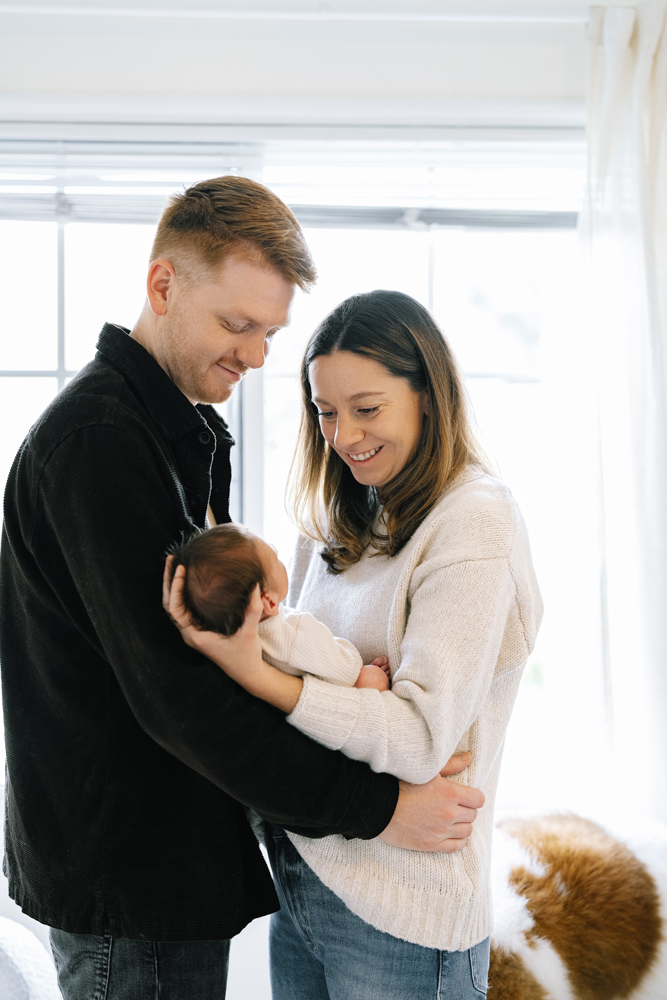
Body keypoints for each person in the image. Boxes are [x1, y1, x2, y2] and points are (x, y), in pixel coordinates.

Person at [0, 177, 484, 1000]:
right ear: (163, 285)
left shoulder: (167, 432)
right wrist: (376, 808)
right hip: (134, 878)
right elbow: (178, 693)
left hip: (157, 869)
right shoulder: (104, 444)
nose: (259, 356)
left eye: (269, 331)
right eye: (237, 324)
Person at [165, 289, 543, 999]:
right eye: (325, 412)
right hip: (305, 881)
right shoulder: (333, 520)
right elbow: (328, 696)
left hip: (404, 913)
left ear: (427, 395)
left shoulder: (472, 525)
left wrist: (258, 676)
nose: (342, 437)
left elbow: (419, 740)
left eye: (366, 409)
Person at [168, 522, 392, 690]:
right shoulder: (295, 637)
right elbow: (340, 669)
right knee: (372, 679)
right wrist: (360, 669)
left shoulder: (246, 636)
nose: (278, 555)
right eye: (275, 558)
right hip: (341, 683)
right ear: (269, 601)